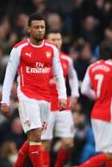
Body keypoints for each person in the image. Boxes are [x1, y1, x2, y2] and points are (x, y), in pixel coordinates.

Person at [0, 13, 67, 167]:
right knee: (36, 134)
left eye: (42, 27)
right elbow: (9, 76)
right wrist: (4, 101)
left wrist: (62, 97)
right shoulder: (19, 49)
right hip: (27, 96)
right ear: (29, 28)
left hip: (45, 98)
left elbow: (58, 75)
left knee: (34, 137)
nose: (40, 30)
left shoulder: (52, 49)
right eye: (36, 27)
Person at [77, 39, 112, 167]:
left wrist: (97, 96)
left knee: (108, 151)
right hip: (109, 115)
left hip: (95, 114)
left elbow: (84, 89)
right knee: (111, 153)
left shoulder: (92, 67)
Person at [40, 30, 80, 167]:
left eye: (58, 39)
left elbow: (73, 77)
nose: (56, 42)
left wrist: (75, 94)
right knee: (45, 143)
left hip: (62, 105)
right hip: (45, 106)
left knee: (68, 142)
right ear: (46, 41)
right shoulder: (39, 58)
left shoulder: (67, 60)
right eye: (53, 39)